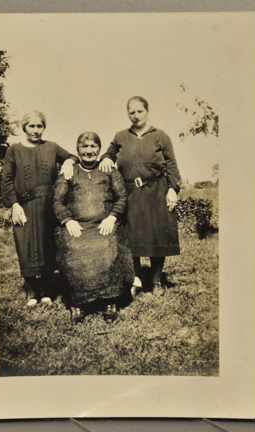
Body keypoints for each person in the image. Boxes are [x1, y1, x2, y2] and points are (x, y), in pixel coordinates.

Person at [99, 96, 181, 296]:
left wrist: (172, 189)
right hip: (130, 193)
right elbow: (107, 155)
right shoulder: (120, 136)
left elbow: (171, 166)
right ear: (128, 114)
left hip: (156, 191)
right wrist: (107, 159)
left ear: (147, 111)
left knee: (157, 234)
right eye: (132, 112)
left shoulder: (161, 136)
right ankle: (136, 278)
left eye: (139, 111)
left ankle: (155, 280)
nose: (136, 116)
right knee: (131, 235)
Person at [53, 132, 135, 323]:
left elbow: (122, 197)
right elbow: (57, 201)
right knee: (73, 248)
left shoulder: (109, 170)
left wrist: (112, 217)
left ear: (99, 148)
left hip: (104, 224)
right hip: (77, 226)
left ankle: (110, 301)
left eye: (93, 146)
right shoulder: (69, 171)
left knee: (109, 245)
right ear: (77, 149)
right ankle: (77, 303)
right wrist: (68, 220)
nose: (89, 151)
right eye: (84, 147)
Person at [1, 110, 78, 307]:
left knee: (47, 247)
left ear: (44, 127)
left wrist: (69, 161)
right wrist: (14, 205)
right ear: (24, 127)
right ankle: (31, 291)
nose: (36, 130)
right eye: (31, 126)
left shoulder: (51, 147)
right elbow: (7, 180)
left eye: (39, 126)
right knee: (25, 246)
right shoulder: (14, 150)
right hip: (24, 206)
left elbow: (73, 156)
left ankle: (45, 290)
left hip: (48, 206)